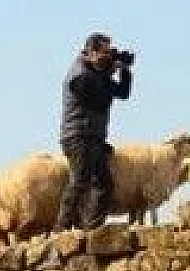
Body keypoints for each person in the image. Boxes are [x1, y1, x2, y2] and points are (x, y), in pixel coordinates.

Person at [57, 33, 133, 231]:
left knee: (104, 185)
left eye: (110, 53)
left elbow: (123, 92)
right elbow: (100, 101)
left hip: (94, 138)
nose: (108, 57)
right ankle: (61, 229)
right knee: (80, 181)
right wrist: (109, 70)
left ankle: (90, 229)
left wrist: (124, 70)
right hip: (78, 137)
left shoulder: (96, 72)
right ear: (90, 52)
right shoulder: (79, 75)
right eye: (104, 53)